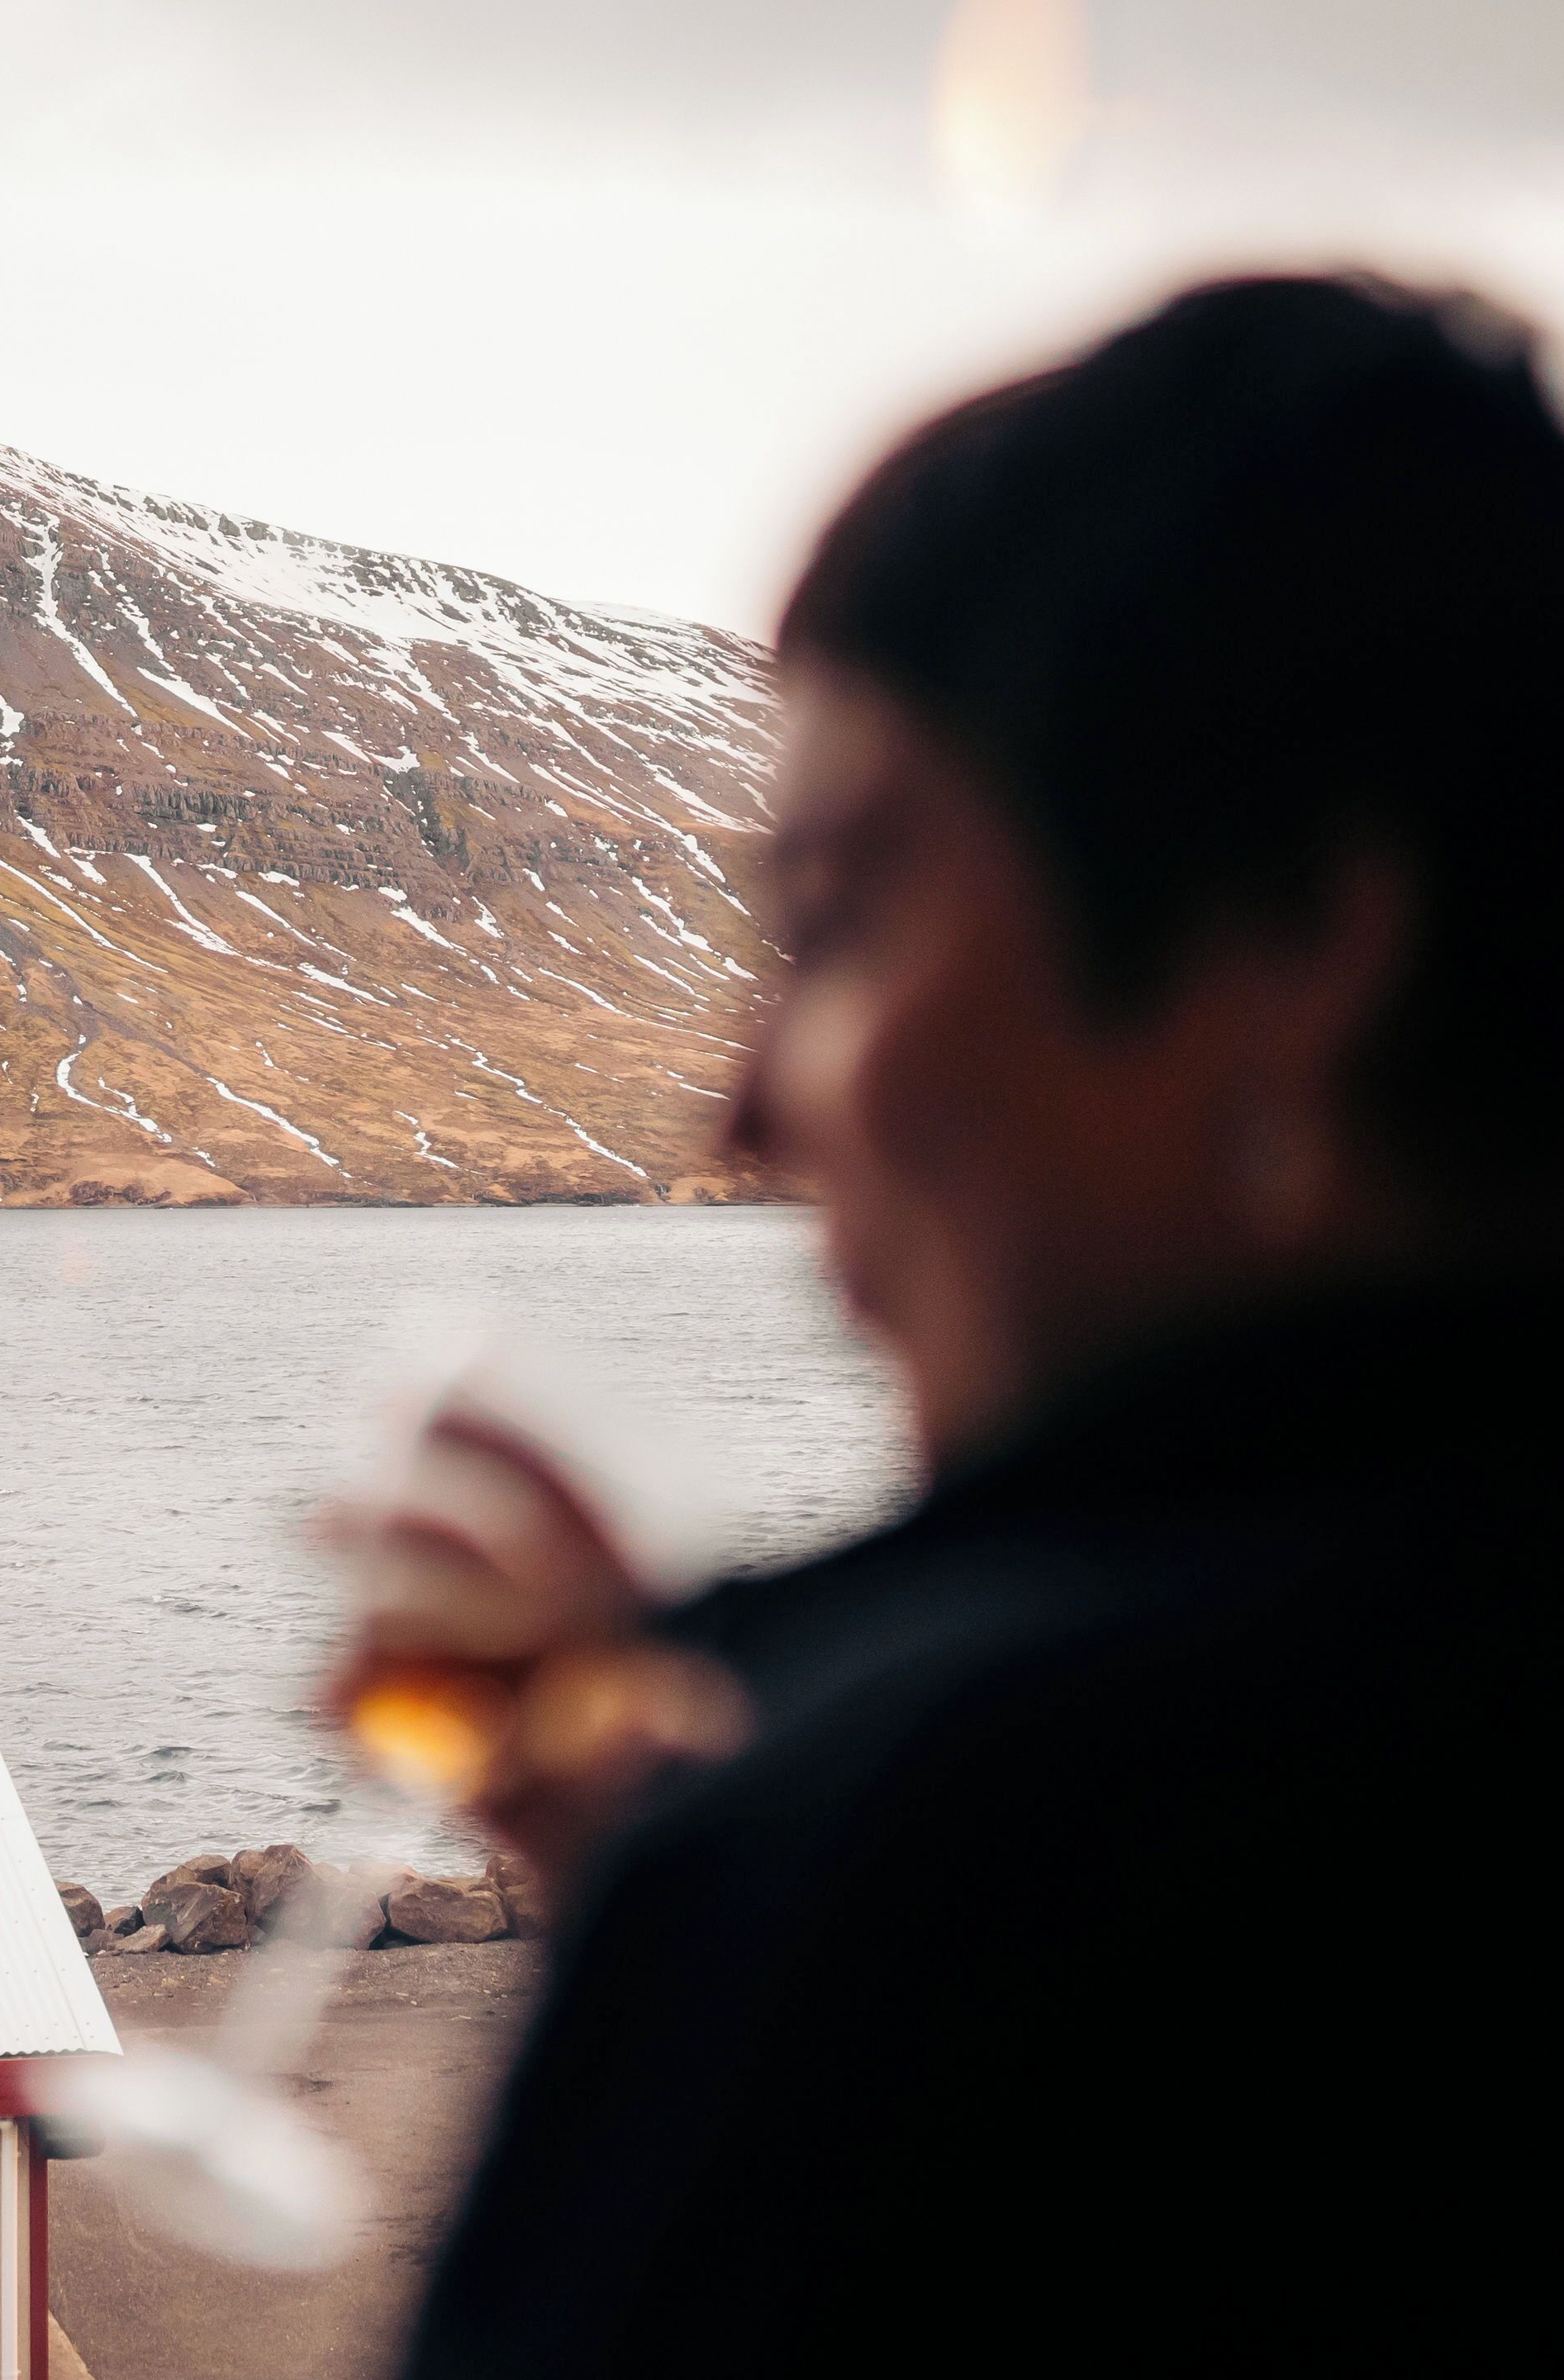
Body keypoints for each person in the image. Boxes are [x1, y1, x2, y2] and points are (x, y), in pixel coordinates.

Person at [344, 275, 1557, 2373]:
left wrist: (742, 1947)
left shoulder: (946, 1866)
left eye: (836, 925)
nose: (741, 1114)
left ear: (1293, 943)